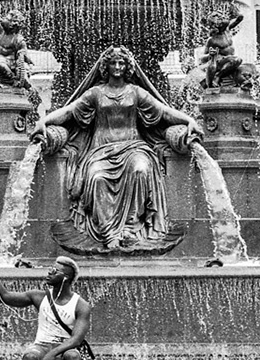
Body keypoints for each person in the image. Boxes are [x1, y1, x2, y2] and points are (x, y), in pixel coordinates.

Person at [31, 46, 201, 251]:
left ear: (128, 66)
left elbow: (164, 111)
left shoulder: (137, 92)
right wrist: (44, 121)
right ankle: (109, 233)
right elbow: (69, 111)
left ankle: (130, 227)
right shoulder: (96, 93)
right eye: (113, 63)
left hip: (134, 147)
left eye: (122, 63)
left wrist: (189, 119)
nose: (118, 67)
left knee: (141, 170)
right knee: (95, 177)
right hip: (101, 150)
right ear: (106, 66)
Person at [0, 9, 32, 90]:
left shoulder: (18, 39)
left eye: (7, 19)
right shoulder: (2, 31)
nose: (3, 19)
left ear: (12, 24)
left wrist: (24, 70)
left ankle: (12, 80)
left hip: (9, 64)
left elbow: (23, 58)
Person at [199, 9, 244, 89]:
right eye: (220, 18)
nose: (223, 18)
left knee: (239, 61)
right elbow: (202, 58)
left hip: (229, 60)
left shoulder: (227, 30)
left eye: (222, 17)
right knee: (237, 60)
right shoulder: (212, 40)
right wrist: (210, 54)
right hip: (220, 62)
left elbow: (237, 20)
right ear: (216, 25)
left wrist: (239, 16)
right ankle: (218, 76)